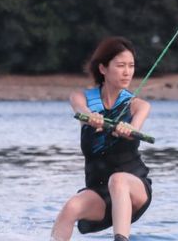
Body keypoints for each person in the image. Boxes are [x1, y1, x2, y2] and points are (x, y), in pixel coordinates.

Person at [51, 36, 152, 241]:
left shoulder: (138, 106)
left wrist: (128, 129)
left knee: (118, 180)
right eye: (121, 66)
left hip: (134, 188)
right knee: (71, 207)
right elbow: (80, 109)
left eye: (131, 66)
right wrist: (91, 118)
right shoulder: (82, 98)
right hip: (99, 192)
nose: (127, 72)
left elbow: (135, 127)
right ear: (103, 68)